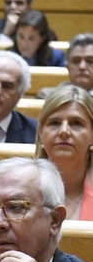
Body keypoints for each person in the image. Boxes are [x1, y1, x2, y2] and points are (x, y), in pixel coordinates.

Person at [35, 85, 93, 220]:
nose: (64, 131)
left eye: (76, 123)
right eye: (54, 123)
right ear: (41, 133)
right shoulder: (19, 189)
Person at [38, 33, 93, 99]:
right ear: (67, 66)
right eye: (76, 61)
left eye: (90, 61)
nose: (82, 67)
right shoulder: (49, 97)